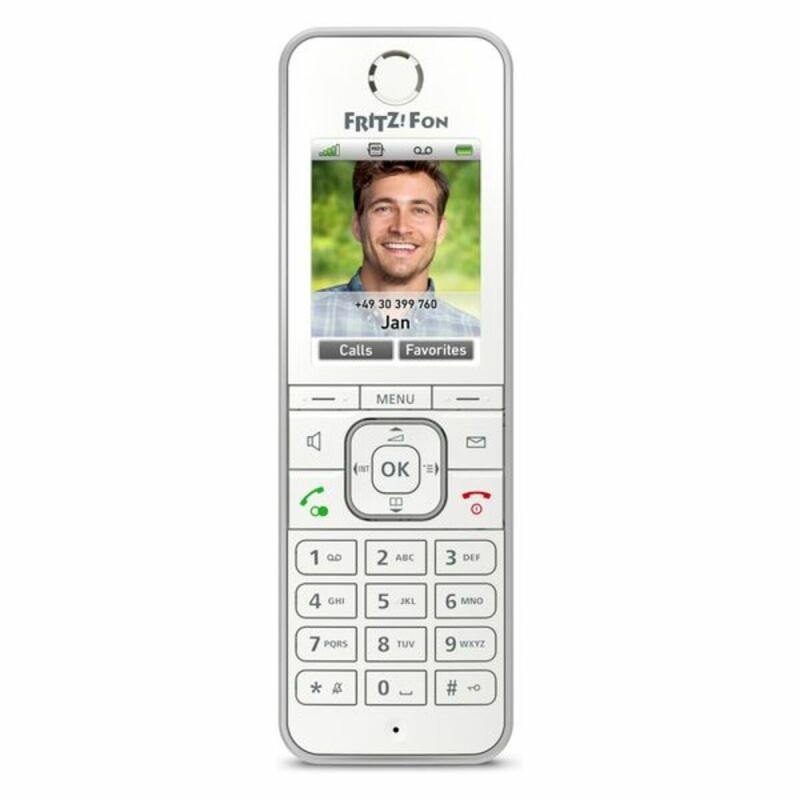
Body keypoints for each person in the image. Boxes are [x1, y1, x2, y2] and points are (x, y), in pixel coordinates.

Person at [312, 160, 480, 337]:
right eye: (384, 209)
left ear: (440, 230)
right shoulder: (301, 321)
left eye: (419, 210)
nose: (401, 227)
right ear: (357, 226)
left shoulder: (474, 335)